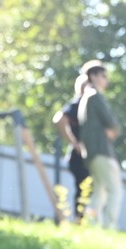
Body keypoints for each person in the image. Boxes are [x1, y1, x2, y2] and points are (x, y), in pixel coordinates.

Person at [75, 61, 122, 231]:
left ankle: (93, 225)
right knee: (115, 190)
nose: (106, 80)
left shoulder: (85, 97)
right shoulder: (95, 96)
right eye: (103, 76)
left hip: (91, 153)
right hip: (102, 151)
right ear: (93, 76)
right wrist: (113, 129)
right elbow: (112, 123)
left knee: (99, 192)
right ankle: (110, 227)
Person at [52, 92, 90, 220]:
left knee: (86, 189)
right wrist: (75, 143)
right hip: (79, 157)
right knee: (83, 189)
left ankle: (81, 219)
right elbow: (59, 119)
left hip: (84, 156)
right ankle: (79, 220)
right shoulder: (78, 103)